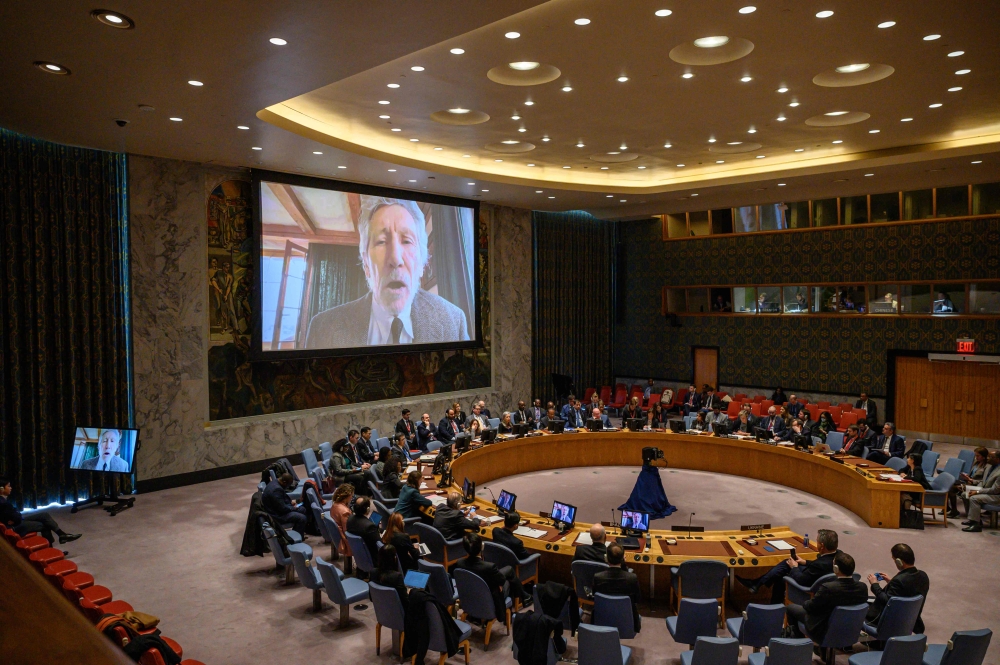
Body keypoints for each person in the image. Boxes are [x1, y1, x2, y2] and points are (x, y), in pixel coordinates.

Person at [305, 196, 469, 348]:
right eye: (381, 242)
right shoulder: (322, 329)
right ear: (366, 264)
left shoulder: (453, 321)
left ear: (421, 264)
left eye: (406, 241)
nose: (395, 259)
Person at [737, 529, 840, 604]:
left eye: (817, 541)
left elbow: (801, 580)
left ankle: (757, 585)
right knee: (787, 564)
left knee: (783, 574)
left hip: (808, 588)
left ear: (822, 546)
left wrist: (794, 567)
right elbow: (819, 566)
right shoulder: (839, 556)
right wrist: (805, 562)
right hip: (818, 579)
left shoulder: (820, 565)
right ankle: (757, 585)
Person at [785, 552, 868, 641]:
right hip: (849, 628)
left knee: (790, 608)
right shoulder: (863, 587)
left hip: (823, 628)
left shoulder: (828, 588)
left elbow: (811, 607)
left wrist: (805, 602)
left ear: (835, 569)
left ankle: (799, 643)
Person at [451, 532, 531, 614]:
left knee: (508, 571)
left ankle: (525, 596)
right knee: (509, 579)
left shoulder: (459, 563)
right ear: (482, 547)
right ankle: (515, 607)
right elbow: (501, 580)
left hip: (472, 595)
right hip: (489, 599)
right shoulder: (489, 567)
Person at [866, 543, 930, 634]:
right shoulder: (923, 576)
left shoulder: (899, 580)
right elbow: (907, 591)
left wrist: (874, 584)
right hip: (909, 620)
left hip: (887, 622)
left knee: (864, 602)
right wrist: (891, 582)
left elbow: (887, 601)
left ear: (899, 561)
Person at [0, 477, 81, 546]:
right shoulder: (3, 503)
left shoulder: (3, 500)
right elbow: (16, 517)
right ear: (1, 489)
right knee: (44, 526)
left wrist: (16, 515)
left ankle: (62, 534)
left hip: (16, 521)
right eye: (8, 486)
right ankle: (50, 550)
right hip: (15, 527)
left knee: (44, 515)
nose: (11, 488)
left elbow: (15, 515)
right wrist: (16, 515)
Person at [593, 543, 641, 634]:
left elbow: (595, 597)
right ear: (623, 558)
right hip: (627, 618)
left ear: (606, 558)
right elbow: (637, 600)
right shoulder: (632, 578)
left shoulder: (597, 577)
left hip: (603, 616)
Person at [962, 449, 1000, 532]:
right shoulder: (989, 466)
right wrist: (973, 484)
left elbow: (995, 490)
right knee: (965, 494)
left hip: (996, 496)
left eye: (991, 457)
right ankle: (974, 519)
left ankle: (976, 525)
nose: (988, 458)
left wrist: (977, 491)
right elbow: (983, 481)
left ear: (998, 459)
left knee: (974, 498)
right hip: (987, 491)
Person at [373, 544, 410, 609]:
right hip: (399, 610)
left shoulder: (373, 572)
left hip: (382, 609)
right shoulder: (397, 576)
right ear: (394, 558)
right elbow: (406, 602)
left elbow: (371, 597)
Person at [347, 496, 381, 565]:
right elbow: (379, 544)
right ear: (368, 509)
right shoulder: (369, 526)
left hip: (359, 556)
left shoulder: (349, 519)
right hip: (373, 559)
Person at [329, 483, 354, 558]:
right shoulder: (345, 512)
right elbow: (348, 530)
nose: (352, 497)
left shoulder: (335, 505)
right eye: (351, 496)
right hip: (345, 539)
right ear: (347, 496)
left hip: (338, 535)